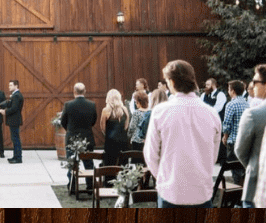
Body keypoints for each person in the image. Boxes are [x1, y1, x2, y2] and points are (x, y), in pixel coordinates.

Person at [144, 60, 220, 208]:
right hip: (201, 193)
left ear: (171, 82)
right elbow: (213, 156)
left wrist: (165, 177)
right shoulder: (212, 114)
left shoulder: (160, 112)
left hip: (171, 193)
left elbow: (151, 154)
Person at [234, 64, 266, 208]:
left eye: (255, 81)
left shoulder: (253, 114)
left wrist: (254, 165)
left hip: (256, 183)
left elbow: (240, 149)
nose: (252, 85)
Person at [60, 82, 98, 169]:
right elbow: (93, 121)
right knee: (88, 164)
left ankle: (72, 182)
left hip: (71, 139)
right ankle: (89, 182)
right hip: (87, 138)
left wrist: (69, 130)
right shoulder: (91, 105)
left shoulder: (68, 105)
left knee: (71, 164)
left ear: (74, 92)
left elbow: (63, 121)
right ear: (85, 91)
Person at [101, 89, 132, 166]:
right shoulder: (124, 109)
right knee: (123, 165)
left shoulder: (105, 110)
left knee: (110, 165)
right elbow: (126, 126)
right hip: (123, 140)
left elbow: (103, 127)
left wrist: (109, 134)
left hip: (110, 141)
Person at [222, 79, 250, 163]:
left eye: (229, 89)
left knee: (234, 168)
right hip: (244, 140)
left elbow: (227, 124)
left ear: (233, 91)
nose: (228, 91)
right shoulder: (247, 104)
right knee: (242, 168)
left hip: (233, 141)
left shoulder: (230, 105)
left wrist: (225, 137)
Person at [1, 80, 27, 164]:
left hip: (14, 120)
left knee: (16, 139)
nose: (9, 87)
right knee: (14, 138)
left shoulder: (17, 96)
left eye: (11, 85)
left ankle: (18, 158)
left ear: (16, 86)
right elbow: (10, 105)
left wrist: (5, 112)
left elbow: (14, 108)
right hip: (14, 120)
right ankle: (15, 156)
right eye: (9, 85)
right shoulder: (15, 95)